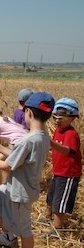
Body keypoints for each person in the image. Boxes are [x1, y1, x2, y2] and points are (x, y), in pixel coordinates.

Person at [0, 92, 54, 248]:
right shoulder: (41, 136)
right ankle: (9, 237)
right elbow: (17, 157)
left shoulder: (29, 140)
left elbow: (8, 165)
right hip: (16, 186)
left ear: (28, 112)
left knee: (25, 230)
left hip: (21, 191)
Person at [45, 97, 81, 233]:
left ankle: (58, 229)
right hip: (58, 171)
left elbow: (66, 150)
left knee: (60, 203)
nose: (56, 121)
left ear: (72, 118)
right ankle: (48, 217)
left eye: (61, 118)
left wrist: (50, 142)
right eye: (55, 118)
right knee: (51, 197)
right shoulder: (57, 131)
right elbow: (55, 150)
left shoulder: (71, 134)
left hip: (68, 174)